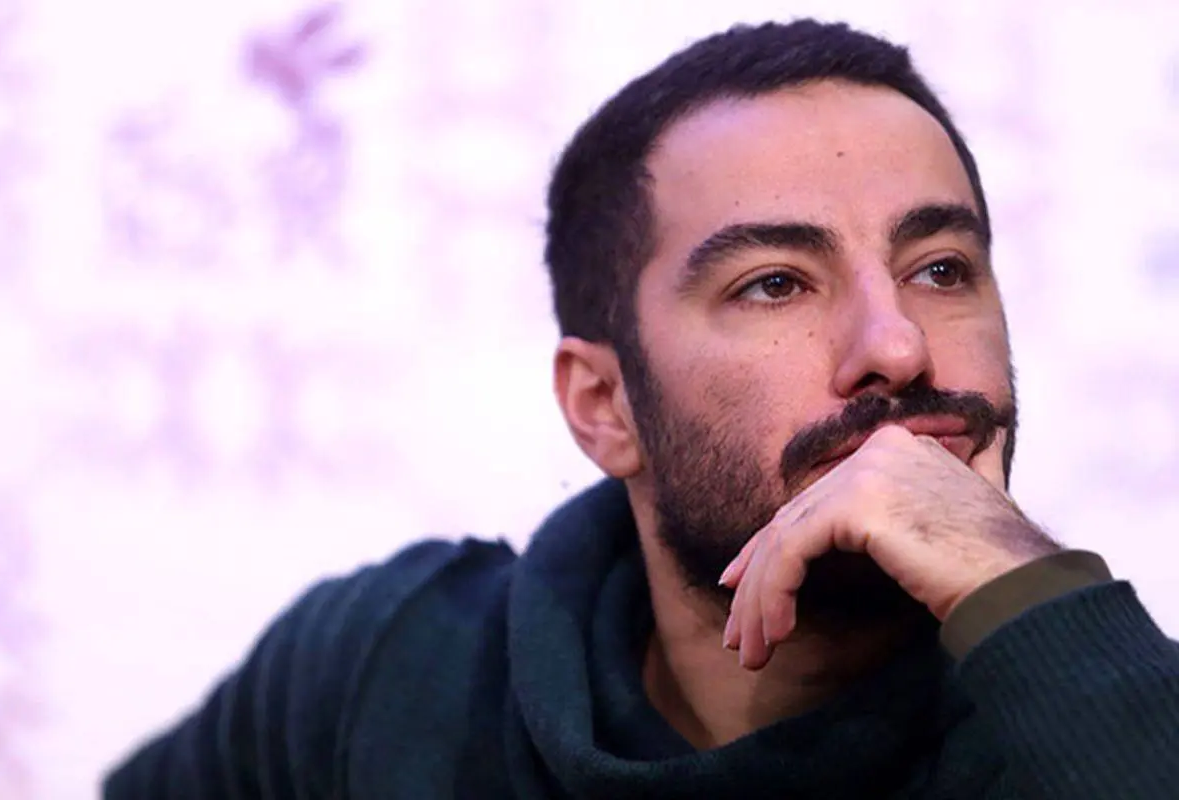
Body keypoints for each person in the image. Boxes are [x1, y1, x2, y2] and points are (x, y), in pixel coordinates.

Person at [102, 19, 1179, 799]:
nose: (896, 345)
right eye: (775, 284)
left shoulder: (1102, 734)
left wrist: (1026, 594)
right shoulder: (387, 672)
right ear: (604, 405)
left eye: (941, 269)